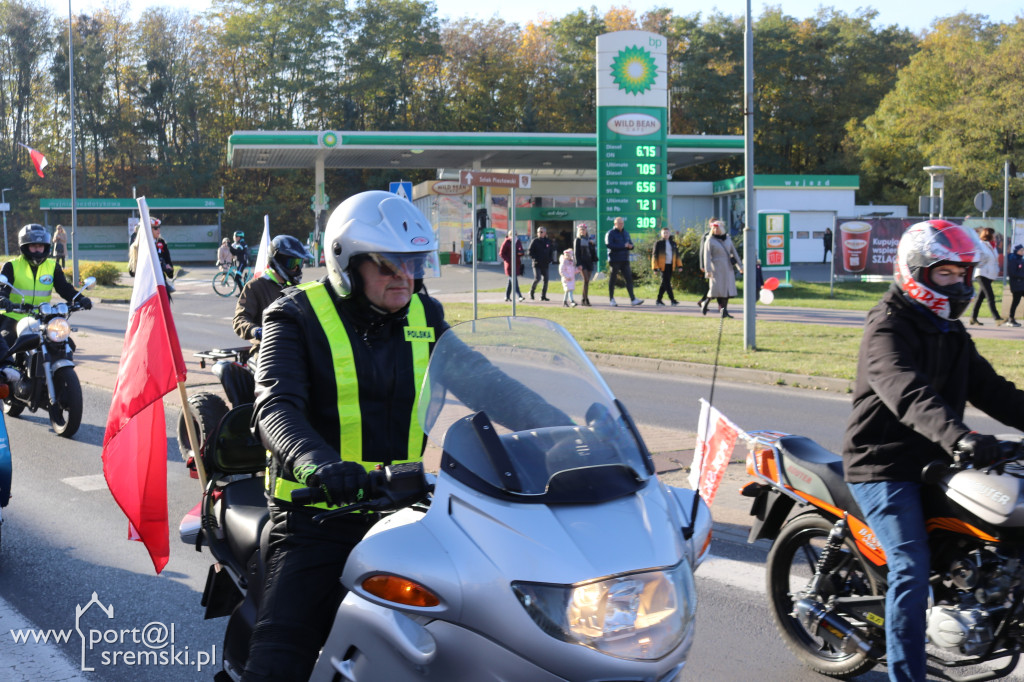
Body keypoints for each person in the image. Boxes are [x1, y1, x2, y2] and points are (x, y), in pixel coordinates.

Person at [245, 190, 569, 681]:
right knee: (277, 659)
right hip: (318, 515)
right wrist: (320, 465)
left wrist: (560, 429)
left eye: (414, 264)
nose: (405, 277)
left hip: (405, 510)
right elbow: (276, 407)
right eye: (389, 265)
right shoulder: (295, 315)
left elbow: (485, 382)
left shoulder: (423, 312)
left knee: (483, 631)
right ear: (346, 264)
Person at [842, 219, 1024, 682]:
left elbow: (993, 390)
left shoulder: (949, 328)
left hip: (937, 462)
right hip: (885, 464)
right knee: (911, 566)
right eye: (947, 274)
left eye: (965, 274)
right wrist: (959, 437)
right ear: (915, 271)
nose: (961, 284)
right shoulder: (888, 326)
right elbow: (905, 390)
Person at [0, 224, 92, 348]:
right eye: (33, 246)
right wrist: (3, 299)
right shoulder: (12, 266)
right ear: (25, 246)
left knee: (66, 345)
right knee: (6, 344)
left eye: (41, 246)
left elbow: (63, 288)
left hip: (42, 319)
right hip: (14, 317)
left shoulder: (52, 266)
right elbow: (3, 288)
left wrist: (80, 298)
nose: (38, 249)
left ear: (46, 247)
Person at [233, 235, 312, 355]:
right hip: (266, 350)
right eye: (293, 263)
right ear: (277, 261)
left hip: (295, 349)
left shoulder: (297, 289)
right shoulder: (255, 286)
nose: (297, 268)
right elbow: (240, 319)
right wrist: (257, 331)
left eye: (299, 263)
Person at [701, 218, 742, 318]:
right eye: (714, 229)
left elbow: (734, 253)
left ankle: (724, 312)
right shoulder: (709, 240)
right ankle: (705, 302)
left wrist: (740, 266)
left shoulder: (728, 238)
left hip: (728, 267)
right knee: (716, 289)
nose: (716, 230)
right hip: (716, 267)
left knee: (726, 291)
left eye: (718, 228)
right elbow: (706, 256)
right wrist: (708, 270)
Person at [605, 217, 643, 307]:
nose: (621, 225)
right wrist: (623, 245)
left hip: (625, 259)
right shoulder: (610, 233)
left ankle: (633, 299)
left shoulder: (626, 233)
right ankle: (611, 299)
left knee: (629, 279)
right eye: (619, 223)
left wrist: (631, 246)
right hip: (614, 259)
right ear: (615, 224)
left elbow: (631, 244)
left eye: (622, 223)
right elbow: (609, 245)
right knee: (613, 279)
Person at [969, 226, 1002, 325]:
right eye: (993, 235)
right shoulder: (981, 244)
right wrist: (982, 261)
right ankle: (997, 318)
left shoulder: (993, 246)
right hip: (982, 273)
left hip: (989, 274)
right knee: (990, 296)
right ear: (989, 235)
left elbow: (994, 260)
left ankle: (973, 318)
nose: (995, 237)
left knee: (980, 297)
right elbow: (977, 258)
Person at [651, 227, 681, 306]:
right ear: (661, 234)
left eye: (667, 232)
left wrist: (680, 266)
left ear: (669, 233)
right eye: (664, 233)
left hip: (670, 265)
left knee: (664, 283)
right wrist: (655, 267)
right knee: (667, 283)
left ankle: (659, 300)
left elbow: (677, 255)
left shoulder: (673, 243)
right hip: (662, 266)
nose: (666, 234)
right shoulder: (658, 243)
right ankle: (672, 300)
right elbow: (654, 256)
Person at [527, 226, 557, 301]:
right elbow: (530, 252)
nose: (539, 233)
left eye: (541, 232)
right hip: (537, 264)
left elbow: (551, 251)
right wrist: (534, 258)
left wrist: (550, 259)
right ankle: (531, 292)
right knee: (537, 278)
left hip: (545, 264)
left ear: (545, 233)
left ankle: (543, 296)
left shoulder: (548, 241)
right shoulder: (535, 241)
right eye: (538, 232)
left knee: (546, 280)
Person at [573, 223, 598, 306]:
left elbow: (592, 251)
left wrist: (592, 244)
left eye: (583, 229)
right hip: (582, 262)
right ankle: (584, 298)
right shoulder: (577, 240)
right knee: (586, 279)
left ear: (586, 230)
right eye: (581, 229)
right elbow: (576, 253)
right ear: (578, 231)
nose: (582, 231)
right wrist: (578, 264)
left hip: (589, 262)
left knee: (587, 282)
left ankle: (585, 299)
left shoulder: (589, 240)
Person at [500, 229, 524, 302]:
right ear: (509, 235)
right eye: (512, 234)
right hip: (509, 265)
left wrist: (521, 253)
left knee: (510, 282)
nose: (514, 236)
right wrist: (508, 260)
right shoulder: (506, 242)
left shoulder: (518, 241)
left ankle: (507, 296)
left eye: (515, 234)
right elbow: (501, 253)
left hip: (516, 264)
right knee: (514, 281)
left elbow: (521, 251)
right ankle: (519, 296)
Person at [697, 219, 716, 309]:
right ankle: (704, 301)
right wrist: (702, 265)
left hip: (718, 265)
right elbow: (702, 251)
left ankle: (703, 301)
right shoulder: (706, 236)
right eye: (713, 224)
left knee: (714, 285)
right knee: (713, 285)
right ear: (709, 225)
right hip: (709, 264)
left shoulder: (721, 236)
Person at [1006, 243, 1024, 327]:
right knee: (1015, 302)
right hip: (1016, 285)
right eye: (1021, 250)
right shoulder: (1013, 259)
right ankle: (1011, 319)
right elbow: (1012, 273)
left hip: (1022, 285)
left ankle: (1011, 318)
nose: (1023, 251)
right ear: (1016, 251)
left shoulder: (1021, 259)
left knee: (1015, 302)